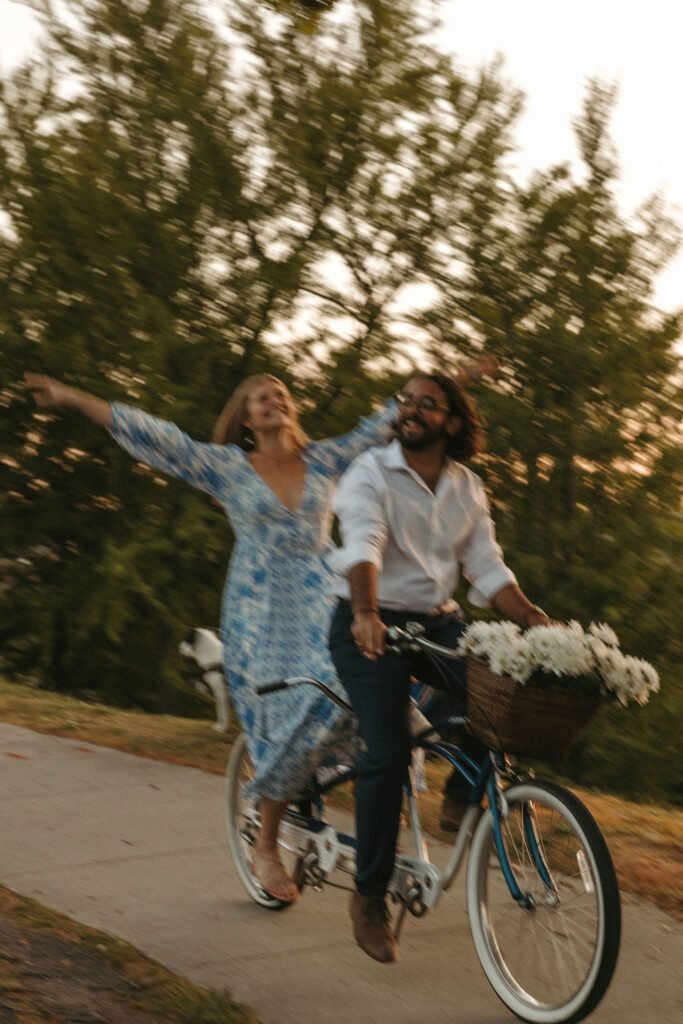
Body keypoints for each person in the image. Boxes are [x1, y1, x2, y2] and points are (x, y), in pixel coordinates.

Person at [24, 370, 398, 903]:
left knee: (357, 690)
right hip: (258, 606)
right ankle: (266, 844)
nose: (274, 402)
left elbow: (382, 423)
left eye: (282, 396)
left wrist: (447, 384)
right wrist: (74, 398)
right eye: (261, 398)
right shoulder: (226, 466)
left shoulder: (324, 458)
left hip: (321, 600)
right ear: (247, 418)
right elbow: (162, 439)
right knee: (292, 707)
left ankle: (367, 826)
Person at [328, 372, 549, 964]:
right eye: (406, 401)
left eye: (428, 403)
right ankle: (369, 896)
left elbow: (485, 564)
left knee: (502, 689)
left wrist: (530, 616)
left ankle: (458, 799)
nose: (412, 410)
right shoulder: (370, 471)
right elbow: (364, 542)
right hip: (366, 620)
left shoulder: (467, 487)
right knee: (387, 751)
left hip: (436, 621)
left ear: (452, 421)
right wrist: (367, 611)